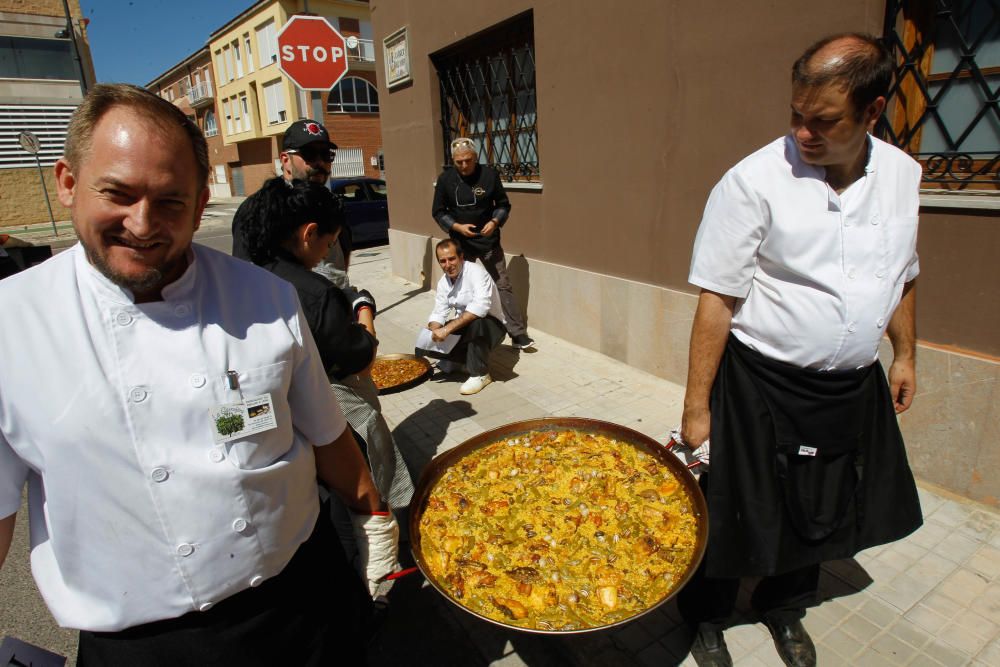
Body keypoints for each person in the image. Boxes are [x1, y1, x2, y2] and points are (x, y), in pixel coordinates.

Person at [0, 84, 397, 666]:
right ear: (67, 182)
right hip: (146, 647)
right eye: (118, 193)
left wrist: (374, 518)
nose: (143, 224)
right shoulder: (11, 325)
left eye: (169, 201)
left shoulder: (267, 297)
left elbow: (327, 434)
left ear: (201, 197)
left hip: (306, 605)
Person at [677, 34, 923, 667]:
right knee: (734, 505)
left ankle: (784, 606)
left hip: (848, 385)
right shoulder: (754, 181)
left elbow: (903, 274)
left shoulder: (901, 176)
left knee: (824, 505)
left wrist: (906, 355)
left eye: (823, 121)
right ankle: (705, 615)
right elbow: (717, 299)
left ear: (872, 112)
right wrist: (697, 408)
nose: (802, 132)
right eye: (795, 115)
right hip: (760, 380)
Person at [234, 177, 414, 591]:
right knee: (349, 502)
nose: (324, 256)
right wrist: (364, 308)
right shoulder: (313, 292)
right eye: (327, 243)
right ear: (309, 233)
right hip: (321, 417)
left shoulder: (241, 278)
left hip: (256, 423)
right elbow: (361, 357)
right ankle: (373, 585)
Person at [432, 137, 535, 350]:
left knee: (503, 286)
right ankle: (463, 331)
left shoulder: (489, 175)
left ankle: (517, 333)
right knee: (462, 287)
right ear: (453, 160)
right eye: (459, 162)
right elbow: (438, 211)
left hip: (489, 242)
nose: (463, 165)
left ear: (475, 157)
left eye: (468, 160)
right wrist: (456, 227)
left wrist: (495, 221)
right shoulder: (445, 179)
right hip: (460, 245)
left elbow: (504, 205)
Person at [232, 118, 354, 288]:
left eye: (326, 154)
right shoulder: (260, 208)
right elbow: (246, 274)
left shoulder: (330, 202)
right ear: (285, 160)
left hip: (334, 306)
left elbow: (341, 260)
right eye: (309, 154)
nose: (320, 162)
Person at [417, 239, 506, 395]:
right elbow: (439, 311)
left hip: (492, 326)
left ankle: (480, 374)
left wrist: (447, 330)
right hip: (467, 325)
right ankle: (462, 362)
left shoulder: (476, 272)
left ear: (461, 257)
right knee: (428, 346)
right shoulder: (443, 282)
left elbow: (480, 307)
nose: (448, 264)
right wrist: (434, 330)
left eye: (451, 259)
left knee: (477, 323)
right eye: (442, 261)